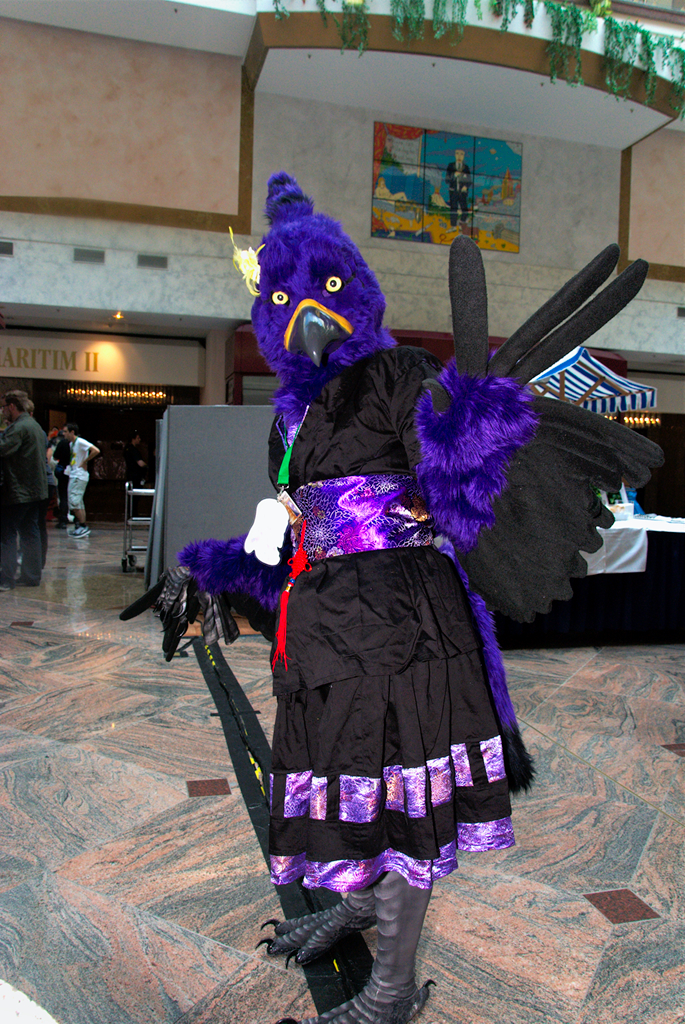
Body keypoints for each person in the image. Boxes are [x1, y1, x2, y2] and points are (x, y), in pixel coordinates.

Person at [128, 175, 662, 1024]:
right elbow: (303, 549)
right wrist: (211, 567)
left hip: (401, 630)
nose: (308, 314)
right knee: (352, 787)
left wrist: (472, 433)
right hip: (323, 634)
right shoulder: (288, 417)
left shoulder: (396, 373)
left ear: (358, 291)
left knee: (396, 801)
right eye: (285, 301)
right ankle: (358, 905)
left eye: (328, 288)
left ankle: (388, 993)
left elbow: (453, 494)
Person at [0, 389, 48, 589]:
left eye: (4, 407)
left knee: (7, 533)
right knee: (30, 532)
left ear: (12, 406)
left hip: (19, 490)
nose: (3, 411)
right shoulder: (34, 425)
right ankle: (31, 576)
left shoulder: (19, 427)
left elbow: (3, 448)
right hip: (36, 490)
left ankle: (6, 578)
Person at [63, 423, 100, 538]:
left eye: (65, 431)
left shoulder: (80, 442)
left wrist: (85, 461)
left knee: (74, 501)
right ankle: (81, 525)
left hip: (79, 476)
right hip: (74, 474)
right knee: (78, 502)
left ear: (72, 432)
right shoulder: (71, 444)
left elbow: (95, 450)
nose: (64, 434)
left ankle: (83, 525)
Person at [445, 147, 471, 227]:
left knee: (465, 211)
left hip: (462, 193)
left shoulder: (466, 168)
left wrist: (465, 186)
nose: (459, 156)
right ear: (455, 155)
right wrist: (454, 175)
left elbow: (469, 181)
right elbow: (447, 180)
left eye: (461, 154)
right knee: (453, 209)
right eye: (457, 153)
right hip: (453, 191)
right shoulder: (451, 166)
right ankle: (453, 226)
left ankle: (461, 222)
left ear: (464, 156)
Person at [52, 428, 72, 528]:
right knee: (73, 495)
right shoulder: (77, 443)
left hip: (63, 469)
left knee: (63, 495)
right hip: (74, 470)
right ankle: (77, 518)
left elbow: (55, 456)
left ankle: (63, 518)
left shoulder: (62, 443)